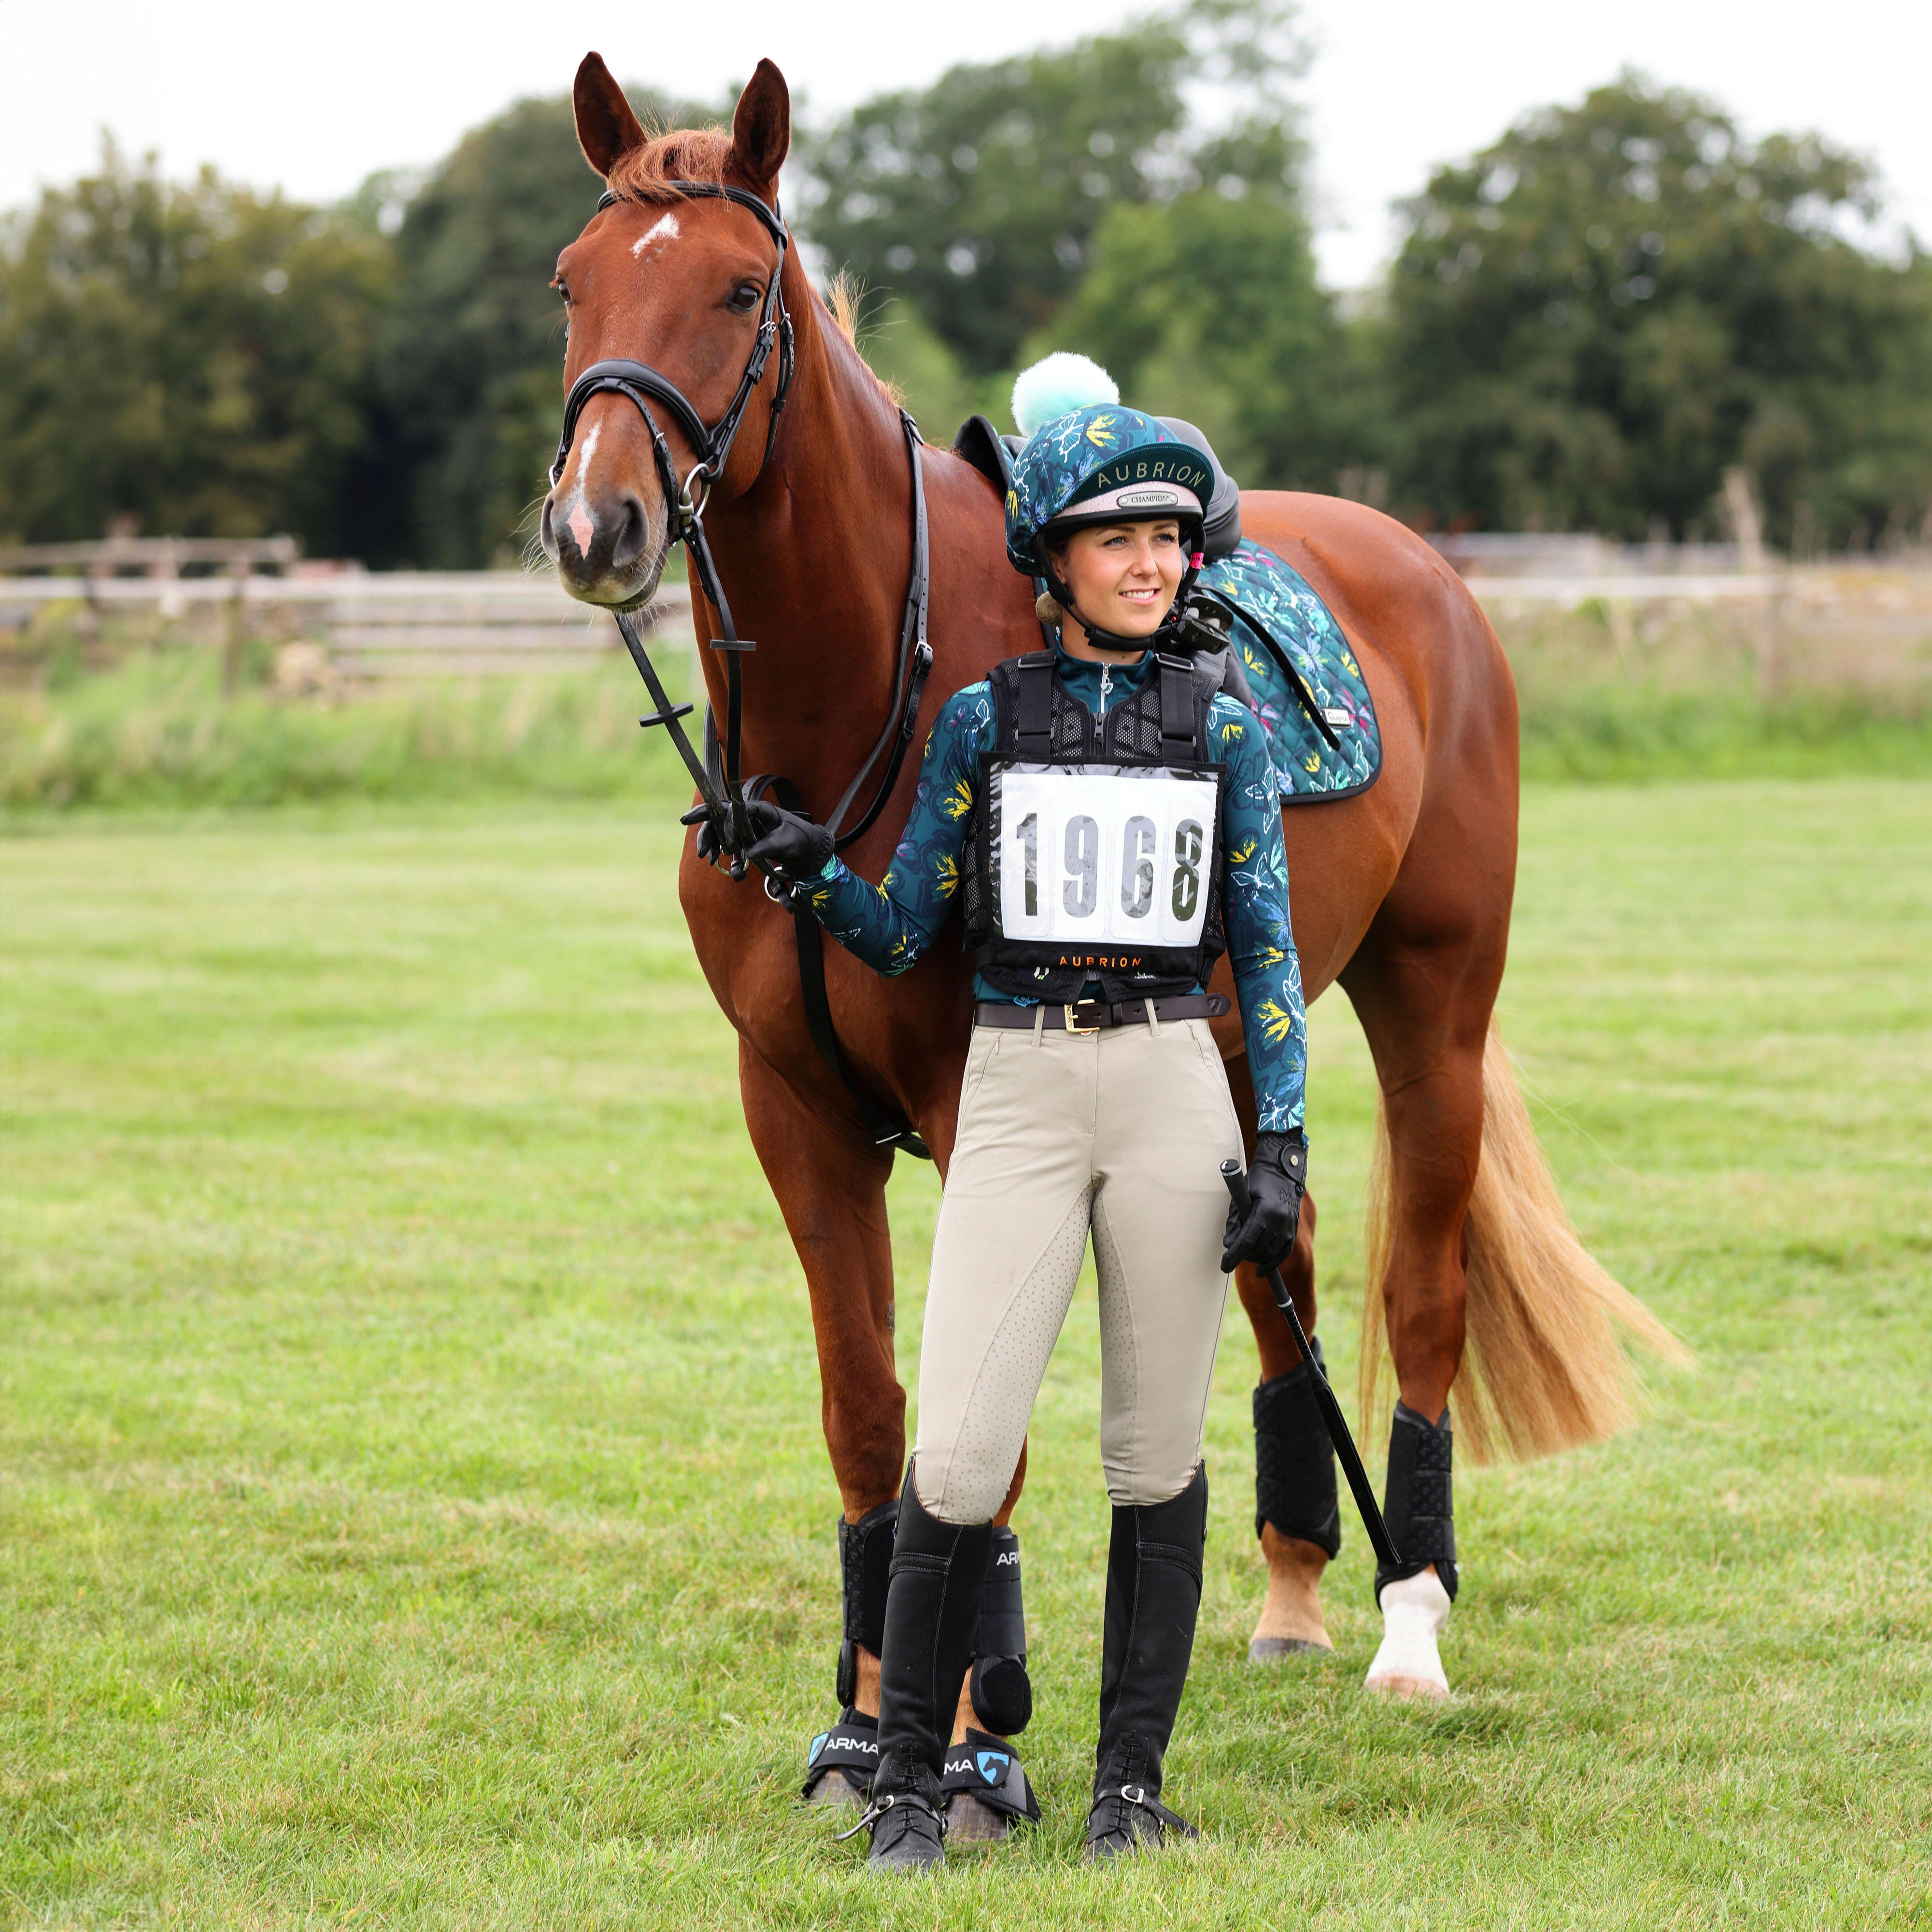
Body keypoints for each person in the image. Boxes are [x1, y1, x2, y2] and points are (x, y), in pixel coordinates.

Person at [739, 366, 1309, 1871]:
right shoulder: (984, 720)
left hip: (1176, 1089)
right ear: (1051, 558)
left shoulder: (1229, 730)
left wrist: (1287, 1150)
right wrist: (801, 866)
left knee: (1155, 1456)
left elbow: (1268, 953)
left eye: (1172, 540)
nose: (1151, 563)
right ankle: (914, 1788)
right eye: (1118, 540)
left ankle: (1131, 1789)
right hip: (1017, 1085)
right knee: (962, 1442)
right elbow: (897, 921)